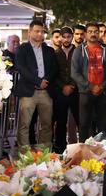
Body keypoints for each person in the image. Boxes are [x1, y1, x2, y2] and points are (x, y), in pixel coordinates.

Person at [14, 20, 58, 150]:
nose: (40, 34)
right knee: (24, 124)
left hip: (46, 91)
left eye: (42, 31)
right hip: (28, 91)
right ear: (29, 32)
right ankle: (24, 154)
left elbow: (54, 69)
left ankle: (43, 153)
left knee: (46, 124)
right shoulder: (22, 49)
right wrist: (38, 81)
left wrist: (45, 81)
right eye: (37, 31)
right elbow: (21, 68)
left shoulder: (49, 50)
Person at [71, 23, 106, 141]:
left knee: (103, 125)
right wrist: (91, 86)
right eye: (90, 32)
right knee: (84, 125)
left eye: (96, 32)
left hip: (104, 92)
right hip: (85, 93)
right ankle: (83, 153)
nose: (93, 34)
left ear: (99, 33)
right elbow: (74, 73)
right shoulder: (79, 50)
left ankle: (102, 154)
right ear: (86, 34)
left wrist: (102, 86)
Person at [52, 27, 79, 153]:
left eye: (69, 36)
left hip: (76, 91)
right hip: (60, 92)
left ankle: (81, 148)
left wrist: (72, 86)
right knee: (60, 122)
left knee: (80, 120)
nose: (66, 39)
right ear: (60, 37)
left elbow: (81, 71)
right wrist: (63, 86)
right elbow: (54, 74)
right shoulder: (56, 53)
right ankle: (60, 150)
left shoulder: (79, 51)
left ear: (72, 37)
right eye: (64, 36)